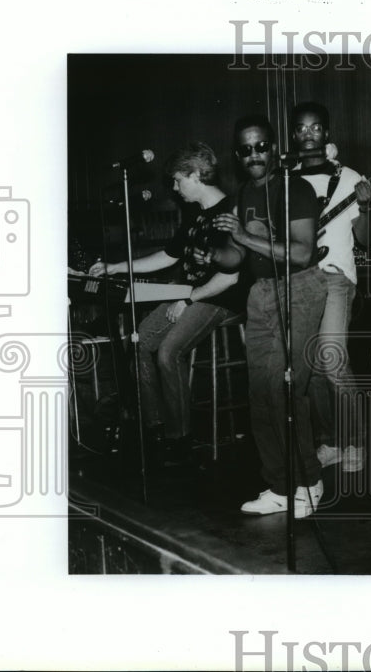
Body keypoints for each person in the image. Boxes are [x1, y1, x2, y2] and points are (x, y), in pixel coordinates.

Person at [88, 142, 243, 465]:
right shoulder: (194, 215)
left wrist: (187, 298)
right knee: (140, 341)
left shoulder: (231, 210)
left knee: (169, 351)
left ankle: (180, 438)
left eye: (177, 180)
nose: (174, 188)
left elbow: (231, 276)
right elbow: (167, 256)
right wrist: (117, 267)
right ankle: (155, 427)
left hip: (218, 297)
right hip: (189, 293)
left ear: (195, 175)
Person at [212, 115, 328, 518]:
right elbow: (235, 257)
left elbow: (301, 252)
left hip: (300, 287)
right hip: (261, 294)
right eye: (245, 149)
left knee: (285, 388)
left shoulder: (295, 188)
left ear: (275, 149)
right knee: (260, 393)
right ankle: (280, 485)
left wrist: (243, 236)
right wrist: (211, 254)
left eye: (261, 146)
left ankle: (310, 483)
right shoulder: (243, 193)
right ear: (238, 156)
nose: (254, 155)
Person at [290, 101, 371, 474]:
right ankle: (330, 442)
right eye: (302, 129)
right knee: (310, 363)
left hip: (337, 277)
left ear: (327, 135)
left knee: (331, 358)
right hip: (300, 280)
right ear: (294, 135)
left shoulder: (350, 177)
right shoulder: (287, 182)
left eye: (316, 128)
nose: (309, 135)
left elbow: (367, 240)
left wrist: (367, 208)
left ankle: (357, 441)